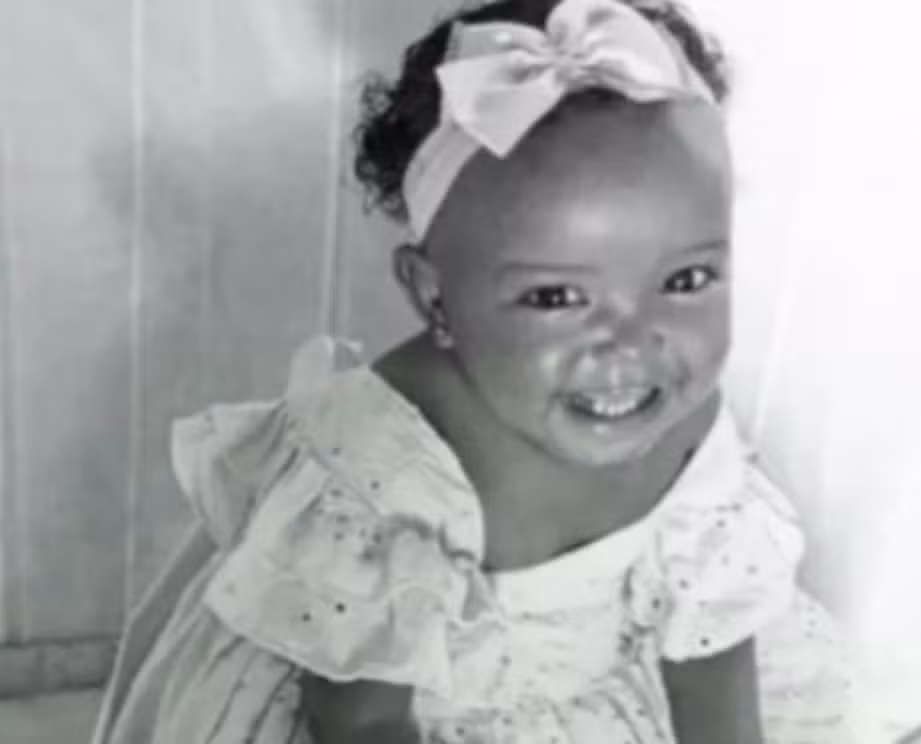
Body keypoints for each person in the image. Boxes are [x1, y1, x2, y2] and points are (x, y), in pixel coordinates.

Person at [93, 0, 858, 741]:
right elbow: (360, 722)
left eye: (685, 281)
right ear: (435, 297)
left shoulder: (690, 430)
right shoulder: (388, 468)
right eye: (557, 297)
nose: (629, 346)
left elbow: (710, 641)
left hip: (600, 700)